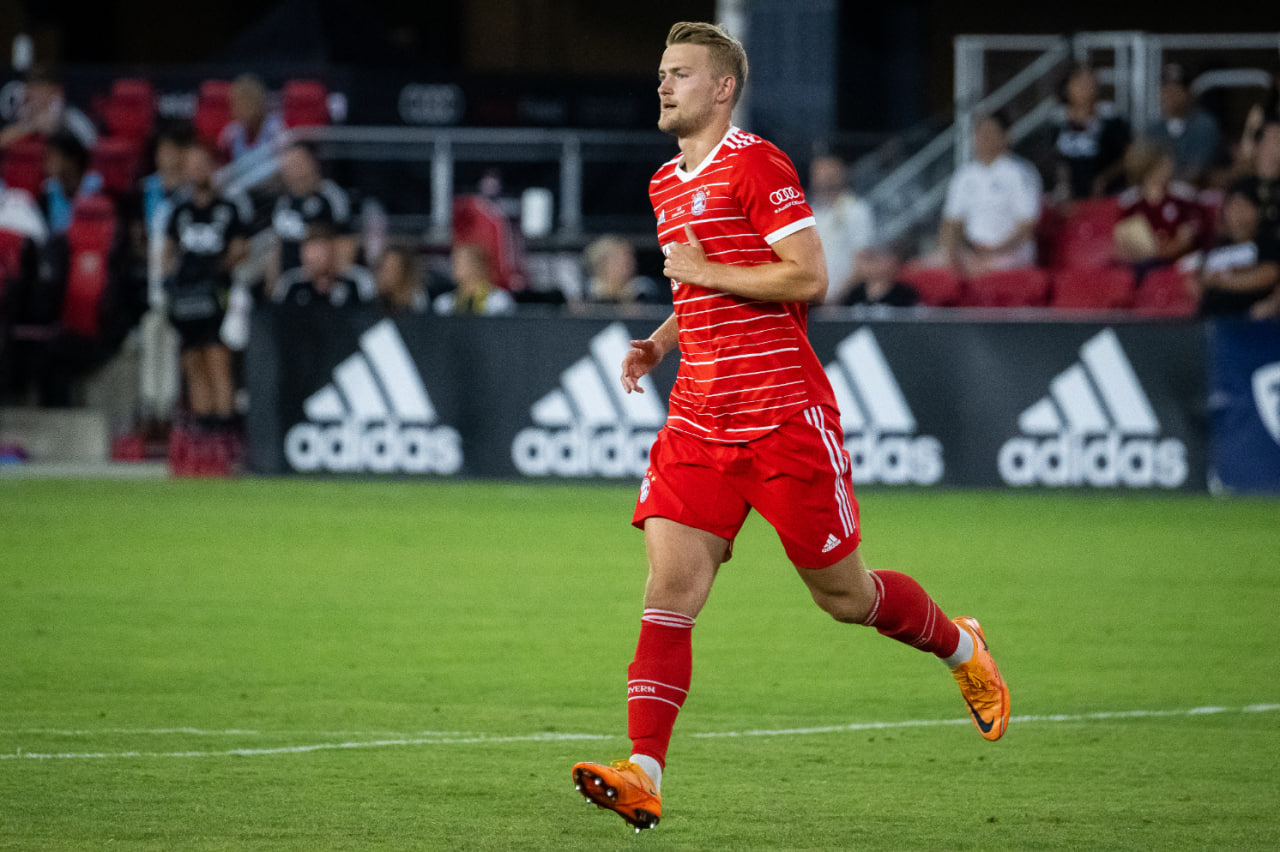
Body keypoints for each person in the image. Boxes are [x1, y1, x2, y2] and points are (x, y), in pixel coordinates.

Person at [570, 21, 1010, 834]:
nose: (663, 85)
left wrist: (705, 271)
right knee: (669, 592)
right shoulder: (668, 183)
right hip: (699, 421)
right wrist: (661, 340)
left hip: (783, 422)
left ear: (723, 88)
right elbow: (700, 287)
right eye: (661, 73)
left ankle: (962, 647)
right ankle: (643, 772)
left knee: (847, 598)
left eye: (681, 74)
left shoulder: (758, 163)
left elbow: (810, 273)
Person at [161, 143, 250, 440]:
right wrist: (169, 280)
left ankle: (224, 426)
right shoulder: (181, 211)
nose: (196, 170)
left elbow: (241, 246)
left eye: (202, 164)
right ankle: (203, 425)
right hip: (186, 293)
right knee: (192, 356)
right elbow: (169, 249)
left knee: (216, 354)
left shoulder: (227, 208)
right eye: (191, 165)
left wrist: (218, 269)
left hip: (216, 292)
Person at [938, 111, 1042, 276]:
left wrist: (994, 251)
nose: (984, 138)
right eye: (980, 133)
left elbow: (1026, 228)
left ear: (1006, 136)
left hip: (1010, 252)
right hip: (973, 252)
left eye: (990, 132)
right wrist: (950, 253)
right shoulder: (965, 175)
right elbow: (951, 223)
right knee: (924, 268)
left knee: (981, 270)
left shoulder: (1020, 173)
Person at [268, 142, 354, 292]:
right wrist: (273, 284)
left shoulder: (330, 195)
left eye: (299, 162)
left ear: (312, 163)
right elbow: (279, 246)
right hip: (290, 283)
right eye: (290, 165)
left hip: (322, 283)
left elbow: (344, 239)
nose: (296, 169)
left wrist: (339, 280)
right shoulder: (283, 203)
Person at [1186, 182, 1280, 317]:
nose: (1237, 212)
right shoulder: (1216, 245)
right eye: (1233, 206)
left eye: (1243, 206)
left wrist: (1222, 282)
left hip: (1251, 318)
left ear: (1257, 211)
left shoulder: (1267, 242)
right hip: (1211, 319)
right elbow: (1199, 280)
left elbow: (1270, 274)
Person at [1113, 140, 1206, 271]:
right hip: (1140, 264)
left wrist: (1159, 254)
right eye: (1163, 164)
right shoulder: (1129, 202)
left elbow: (1186, 241)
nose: (1169, 167)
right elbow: (1122, 243)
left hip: (1178, 263)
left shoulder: (1183, 196)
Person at [1050, 62, 1131, 202]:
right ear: (1066, 88)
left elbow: (1128, 155)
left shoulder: (1110, 118)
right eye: (1079, 83)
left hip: (1105, 196)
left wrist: (1105, 178)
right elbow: (1052, 159)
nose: (1085, 89)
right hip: (1068, 199)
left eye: (1089, 83)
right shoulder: (1056, 121)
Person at [808, 154, 874, 303]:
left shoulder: (856, 210)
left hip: (842, 299)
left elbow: (862, 261)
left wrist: (835, 299)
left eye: (829, 175)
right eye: (819, 174)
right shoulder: (808, 211)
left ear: (840, 176)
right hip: (810, 300)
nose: (824, 180)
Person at [1146, 63, 1222, 187]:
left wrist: (1164, 182)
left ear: (1189, 91)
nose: (1170, 96)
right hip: (1159, 194)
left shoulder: (1205, 125)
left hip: (1196, 195)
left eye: (1176, 89)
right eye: (1166, 89)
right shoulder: (1154, 129)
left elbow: (1198, 171)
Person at [273, 222, 375, 309]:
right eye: (310, 256)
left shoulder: (357, 281)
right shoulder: (291, 283)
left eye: (320, 255)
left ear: (333, 253)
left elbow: (371, 314)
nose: (315, 260)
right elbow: (276, 318)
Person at [0, 67, 97, 151]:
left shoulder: (70, 115)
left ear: (54, 91)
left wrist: (56, 128)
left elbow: (92, 143)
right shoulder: (23, 110)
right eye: (31, 88)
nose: (33, 94)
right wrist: (32, 125)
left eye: (40, 89)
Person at [37, 130, 104, 235]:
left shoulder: (98, 188)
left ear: (72, 161)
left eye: (54, 157)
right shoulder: (47, 191)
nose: (47, 163)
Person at [432, 242, 515, 315]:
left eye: (459, 262)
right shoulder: (444, 303)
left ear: (477, 266)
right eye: (453, 262)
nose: (454, 267)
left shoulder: (498, 301)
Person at [218, 74, 285, 163]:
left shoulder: (275, 129)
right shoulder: (231, 134)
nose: (241, 110)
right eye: (237, 104)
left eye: (247, 103)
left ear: (259, 102)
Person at [1233, 119, 1280, 242]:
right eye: (1273, 139)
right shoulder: (1241, 185)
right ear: (1258, 145)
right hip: (1246, 251)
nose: (1276, 146)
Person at [582, 235, 662, 304]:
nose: (629, 264)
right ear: (601, 263)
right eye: (618, 259)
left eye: (630, 258)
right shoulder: (586, 293)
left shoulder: (643, 291)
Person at [837, 245, 919, 307]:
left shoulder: (903, 292)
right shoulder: (855, 293)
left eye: (877, 261)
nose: (873, 267)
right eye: (868, 261)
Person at [374, 242, 429, 315]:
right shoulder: (371, 297)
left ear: (405, 271)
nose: (388, 274)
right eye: (385, 268)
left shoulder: (417, 300)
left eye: (394, 268)